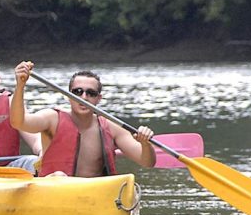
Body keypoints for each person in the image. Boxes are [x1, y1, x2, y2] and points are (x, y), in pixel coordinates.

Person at [10, 62, 156, 177]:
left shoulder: (112, 127)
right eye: (77, 92)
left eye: (91, 93)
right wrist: (20, 86)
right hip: (53, 192)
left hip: (92, 196)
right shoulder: (51, 119)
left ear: (98, 98)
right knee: (60, 176)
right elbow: (18, 122)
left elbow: (147, 161)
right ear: (68, 95)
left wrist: (145, 144)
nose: (84, 98)